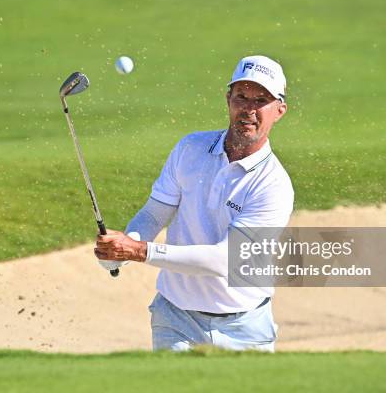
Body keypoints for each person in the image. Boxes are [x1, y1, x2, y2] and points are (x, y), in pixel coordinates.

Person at [93, 55, 294, 352]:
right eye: (241, 96)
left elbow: (223, 260)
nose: (248, 109)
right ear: (228, 99)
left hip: (244, 328)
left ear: (279, 110)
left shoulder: (273, 185)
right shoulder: (190, 148)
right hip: (175, 320)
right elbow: (154, 213)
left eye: (260, 100)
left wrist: (138, 251)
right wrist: (120, 249)